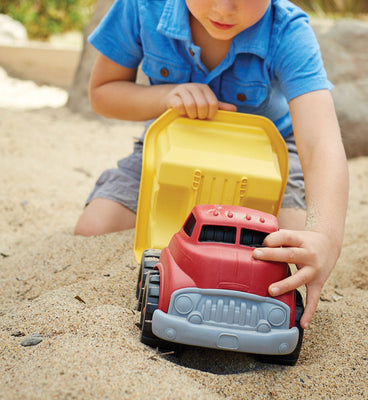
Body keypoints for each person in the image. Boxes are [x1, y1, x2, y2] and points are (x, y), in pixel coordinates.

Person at [74, 0, 349, 330]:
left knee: (291, 252)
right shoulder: (142, 7)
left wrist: (325, 238)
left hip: (263, 160)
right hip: (174, 146)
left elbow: (321, 143)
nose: (223, 9)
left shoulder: (286, 30)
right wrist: (166, 96)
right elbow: (102, 93)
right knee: (93, 229)